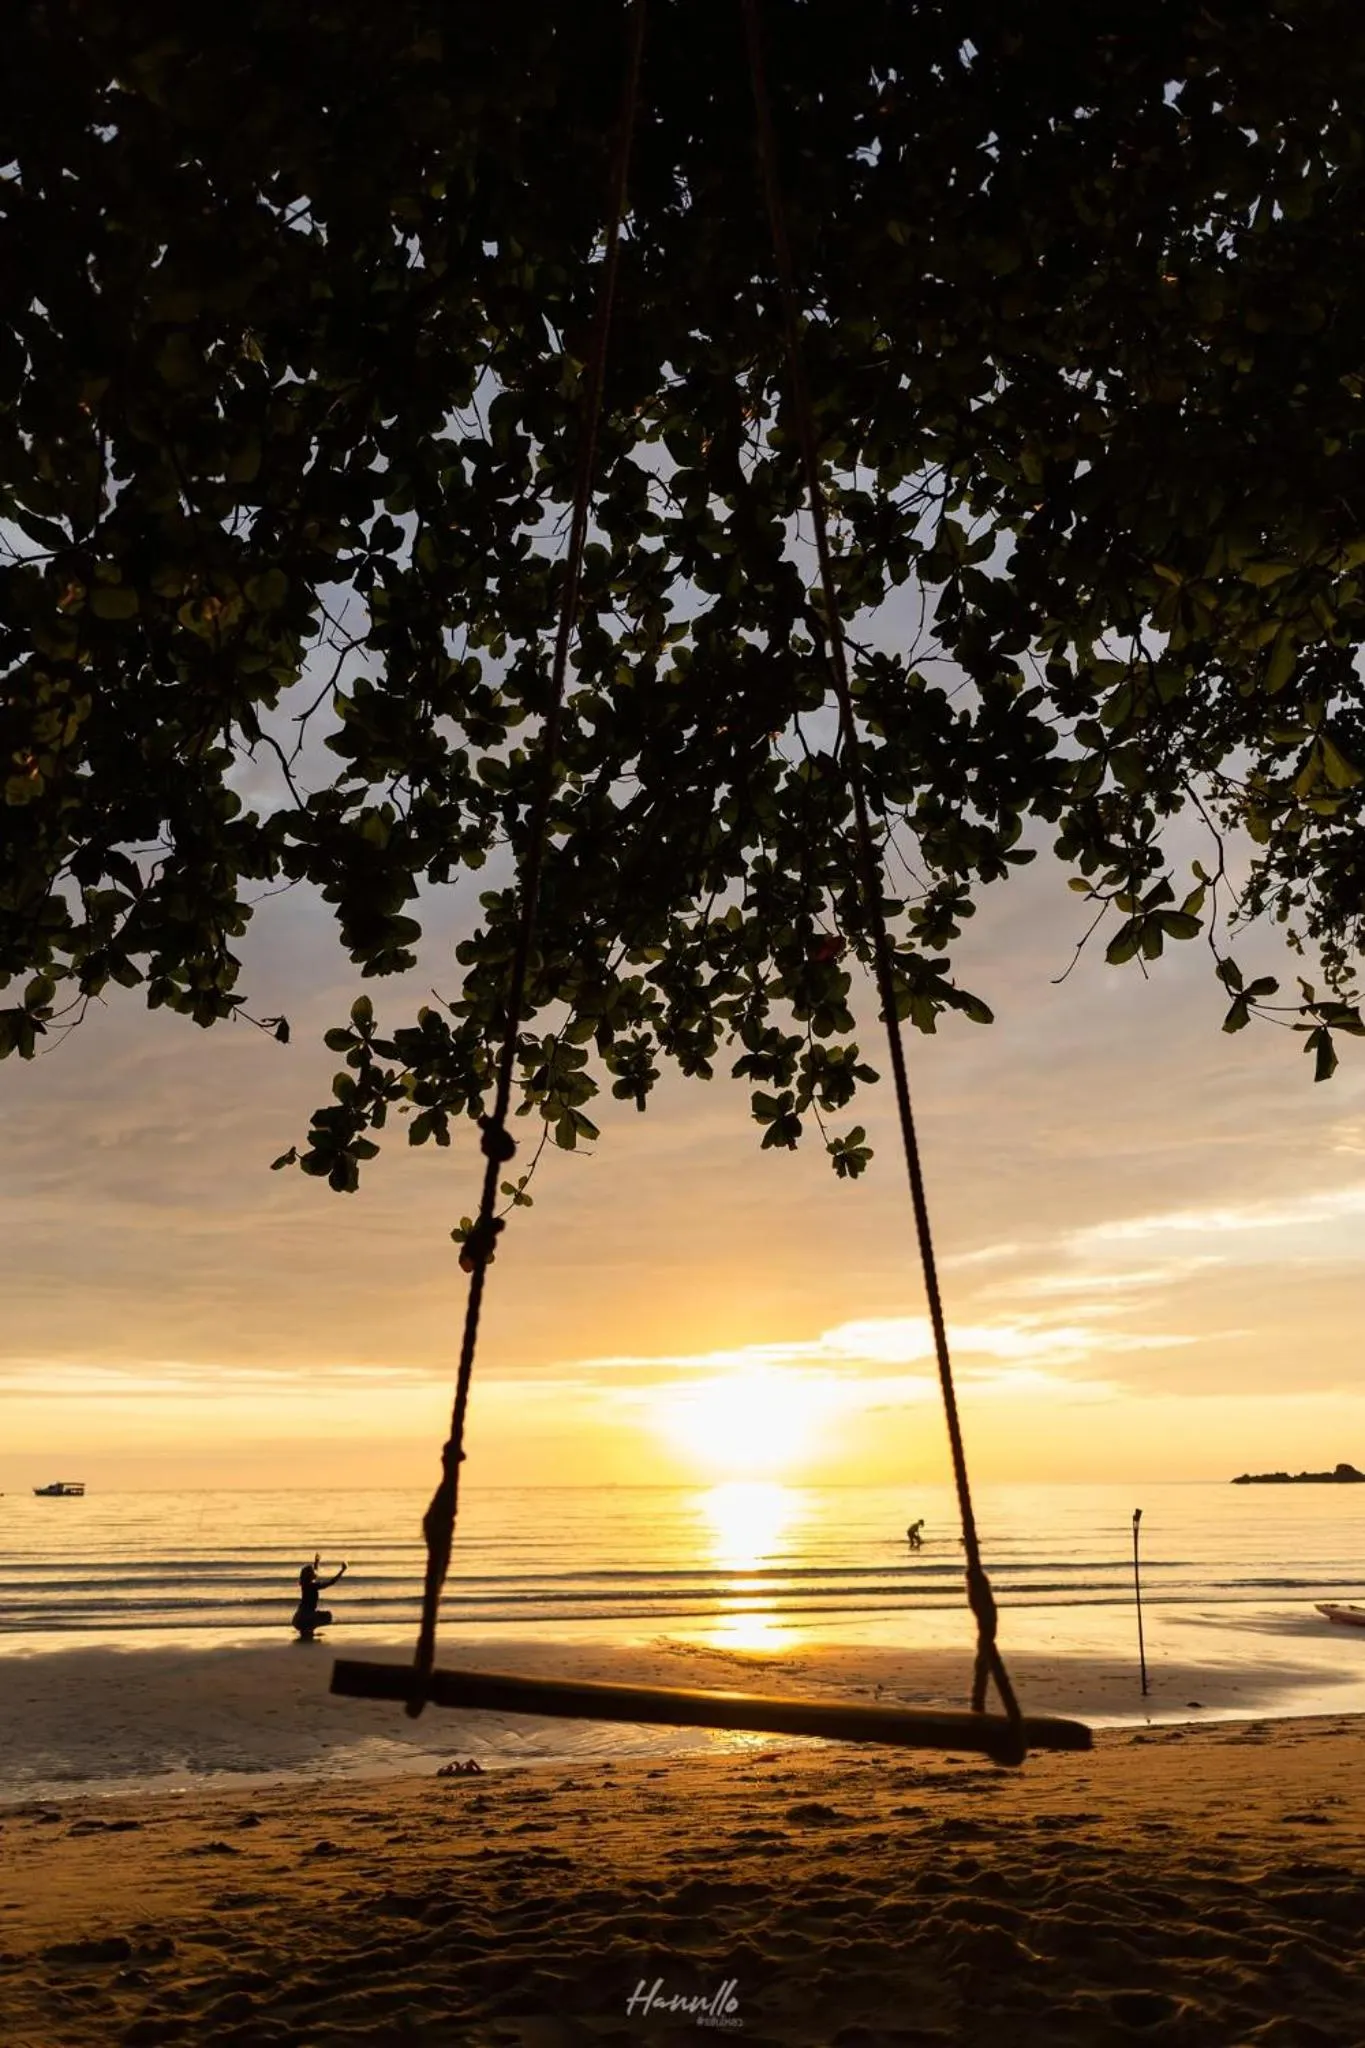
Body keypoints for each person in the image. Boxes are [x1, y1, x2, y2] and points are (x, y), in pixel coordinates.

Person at [293, 1552, 347, 1639]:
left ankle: (306, 1631)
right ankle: (308, 1630)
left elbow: (314, 1573)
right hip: (307, 1616)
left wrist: (316, 1562)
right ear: (311, 1575)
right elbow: (331, 1582)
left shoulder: (304, 1584)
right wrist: (342, 1570)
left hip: (298, 1617)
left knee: (314, 1617)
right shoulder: (313, 1586)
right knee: (328, 1616)